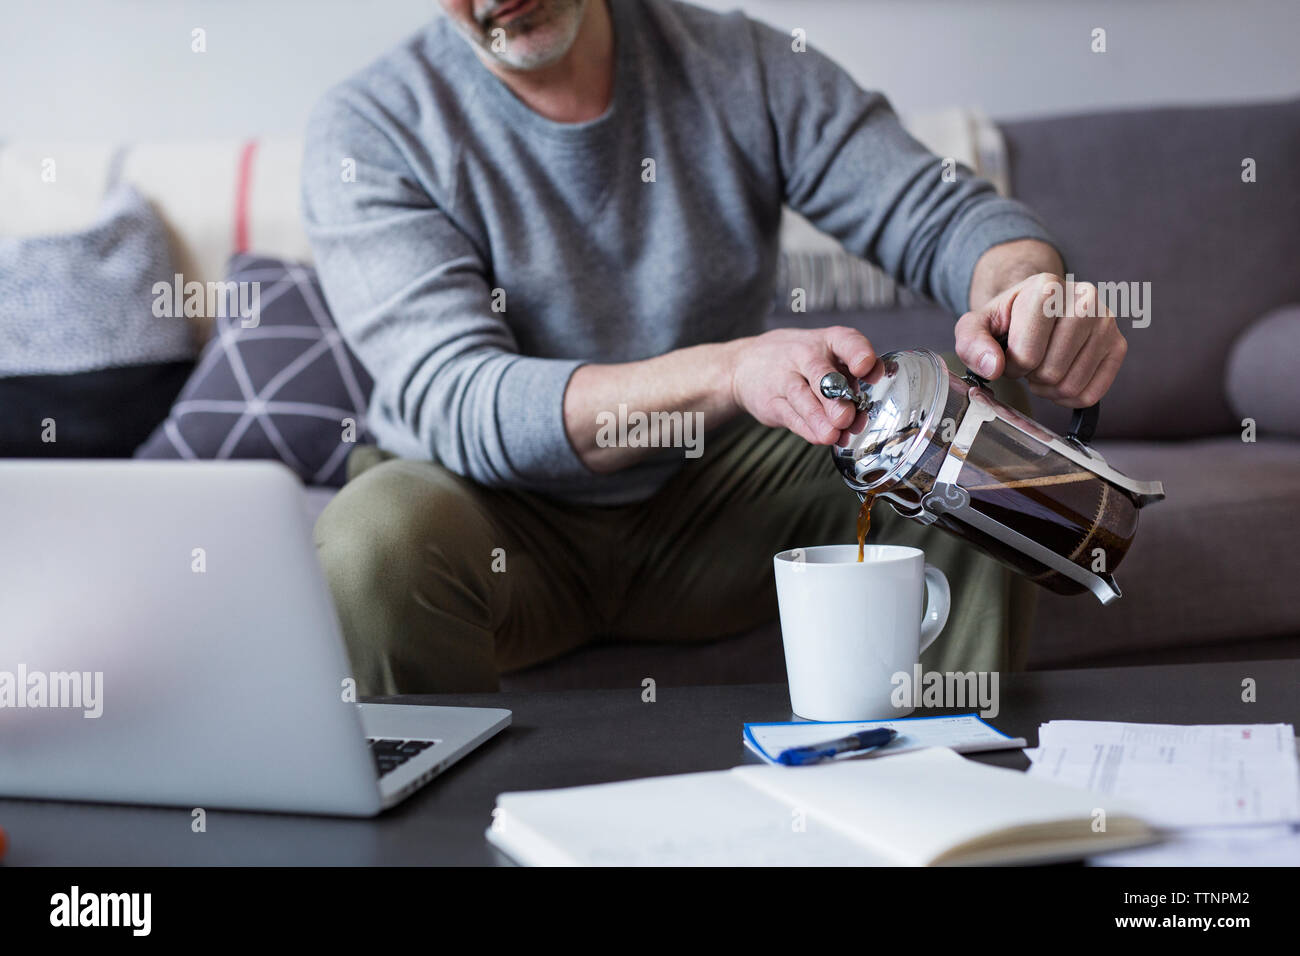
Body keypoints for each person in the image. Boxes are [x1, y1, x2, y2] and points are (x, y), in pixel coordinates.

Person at [302, 0, 1128, 694]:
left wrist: (1023, 284)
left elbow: (937, 211)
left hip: (717, 501)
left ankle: (947, 803)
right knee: (374, 539)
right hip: (493, 518)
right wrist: (732, 370)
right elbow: (465, 399)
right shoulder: (370, 127)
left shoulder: (739, 63)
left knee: (964, 426)